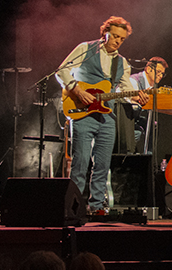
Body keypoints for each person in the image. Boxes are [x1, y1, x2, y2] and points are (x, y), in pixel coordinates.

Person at [57, 16, 148, 214]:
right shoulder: (86, 49)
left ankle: (97, 206)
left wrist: (136, 98)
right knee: (80, 161)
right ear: (105, 33)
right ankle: (73, 207)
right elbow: (62, 72)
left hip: (107, 116)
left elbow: (124, 91)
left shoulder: (122, 63)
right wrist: (78, 92)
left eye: (122, 39)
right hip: (82, 111)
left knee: (103, 164)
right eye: (115, 36)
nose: (117, 41)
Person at [128, 56, 169, 152]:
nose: (161, 75)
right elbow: (128, 101)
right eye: (158, 72)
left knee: (154, 126)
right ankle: (128, 154)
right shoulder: (134, 80)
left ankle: (149, 156)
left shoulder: (153, 86)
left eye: (163, 73)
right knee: (137, 131)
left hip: (137, 117)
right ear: (148, 69)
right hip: (127, 117)